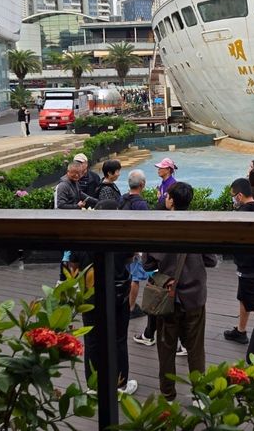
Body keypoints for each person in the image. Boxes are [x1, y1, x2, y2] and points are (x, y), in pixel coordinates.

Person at [142, 182, 218, 401]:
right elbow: (211, 260)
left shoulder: (159, 229)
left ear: (171, 201)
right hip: (194, 297)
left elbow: (147, 264)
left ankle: (167, 394)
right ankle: (199, 394)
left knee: (166, 349)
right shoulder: (200, 228)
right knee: (196, 349)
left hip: (167, 298)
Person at [69, 198, 138, 396]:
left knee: (91, 338)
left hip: (90, 294)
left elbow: (72, 264)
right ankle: (120, 384)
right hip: (117, 293)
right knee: (118, 339)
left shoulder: (81, 236)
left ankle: (93, 385)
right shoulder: (122, 236)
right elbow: (129, 258)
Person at [224, 178, 254, 344]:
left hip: (248, 264)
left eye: (233, 195)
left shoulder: (242, 215)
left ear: (240, 195)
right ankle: (241, 331)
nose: (233, 198)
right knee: (244, 297)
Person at [117, 169, 150, 320]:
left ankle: (122, 303)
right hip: (135, 247)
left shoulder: (122, 199)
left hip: (122, 243)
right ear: (142, 185)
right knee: (135, 278)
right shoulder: (141, 204)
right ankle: (130, 308)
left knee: (124, 274)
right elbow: (145, 227)